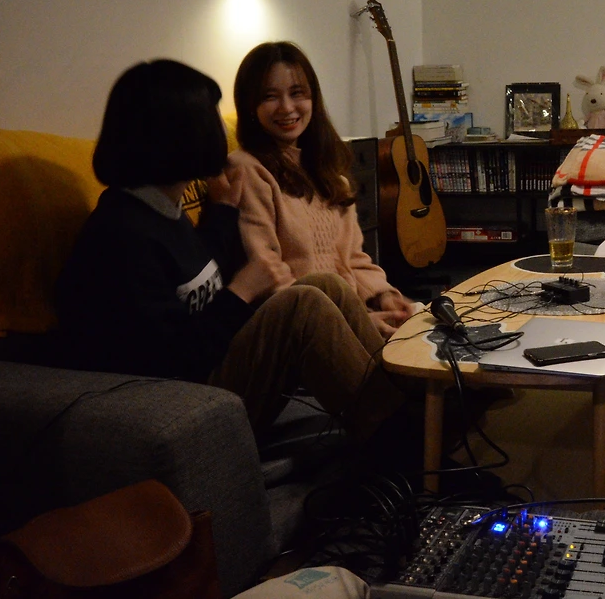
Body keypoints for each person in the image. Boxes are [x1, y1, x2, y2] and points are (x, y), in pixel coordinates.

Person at [54, 60, 408, 445]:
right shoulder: (121, 235)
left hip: (207, 365)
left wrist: (223, 211)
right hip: (180, 394)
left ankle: (409, 401)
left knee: (325, 284)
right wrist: (242, 291)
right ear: (175, 136)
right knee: (304, 304)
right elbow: (170, 356)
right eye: (209, 118)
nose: (221, 131)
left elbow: (197, 275)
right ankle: (396, 437)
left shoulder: (164, 210)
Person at [229, 41, 411, 339]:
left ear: (312, 97)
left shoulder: (329, 175)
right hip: (298, 328)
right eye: (270, 97)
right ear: (250, 105)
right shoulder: (247, 169)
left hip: (347, 314)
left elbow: (353, 258)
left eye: (297, 93)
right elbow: (268, 274)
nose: (287, 108)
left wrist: (384, 296)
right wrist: (357, 322)